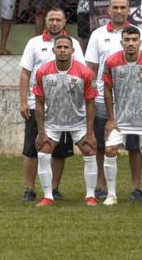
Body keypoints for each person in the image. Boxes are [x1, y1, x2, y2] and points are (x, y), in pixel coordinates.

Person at [85, 0, 142, 202]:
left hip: (134, 100)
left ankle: (136, 187)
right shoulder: (98, 34)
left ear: (128, 10)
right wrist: (90, 94)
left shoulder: (139, 33)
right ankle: (101, 185)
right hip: (102, 99)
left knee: (134, 145)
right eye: (114, 7)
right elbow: (91, 68)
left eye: (122, 7)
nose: (118, 11)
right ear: (108, 11)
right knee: (101, 144)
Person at [19, 8, 83, 201]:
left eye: (58, 20)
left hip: (64, 107)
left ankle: (54, 189)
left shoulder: (74, 44)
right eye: (51, 19)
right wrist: (23, 101)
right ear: (45, 22)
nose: (54, 23)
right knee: (32, 148)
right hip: (35, 103)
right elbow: (25, 73)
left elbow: (81, 72)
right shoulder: (34, 43)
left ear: (64, 23)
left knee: (60, 151)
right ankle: (29, 190)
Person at [31, 35, 98, 206]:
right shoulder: (42, 72)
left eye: (65, 47)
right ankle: (48, 196)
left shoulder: (85, 73)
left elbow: (90, 104)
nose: (62, 50)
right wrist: (41, 132)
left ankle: (90, 195)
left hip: (78, 122)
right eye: (59, 47)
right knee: (43, 153)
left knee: (90, 152)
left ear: (72, 51)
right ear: (53, 50)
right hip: (53, 123)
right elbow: (39, 103)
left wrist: (90, 133)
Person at [101, 26, 142, 206]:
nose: (130, 43)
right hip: (120, 119)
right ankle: (111, 194)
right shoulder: (111, 61)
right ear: (121, 42)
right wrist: (111, 119)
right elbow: (107, 89)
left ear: (140, 42)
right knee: (110, 150)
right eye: (127, 40)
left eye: (134, 40)